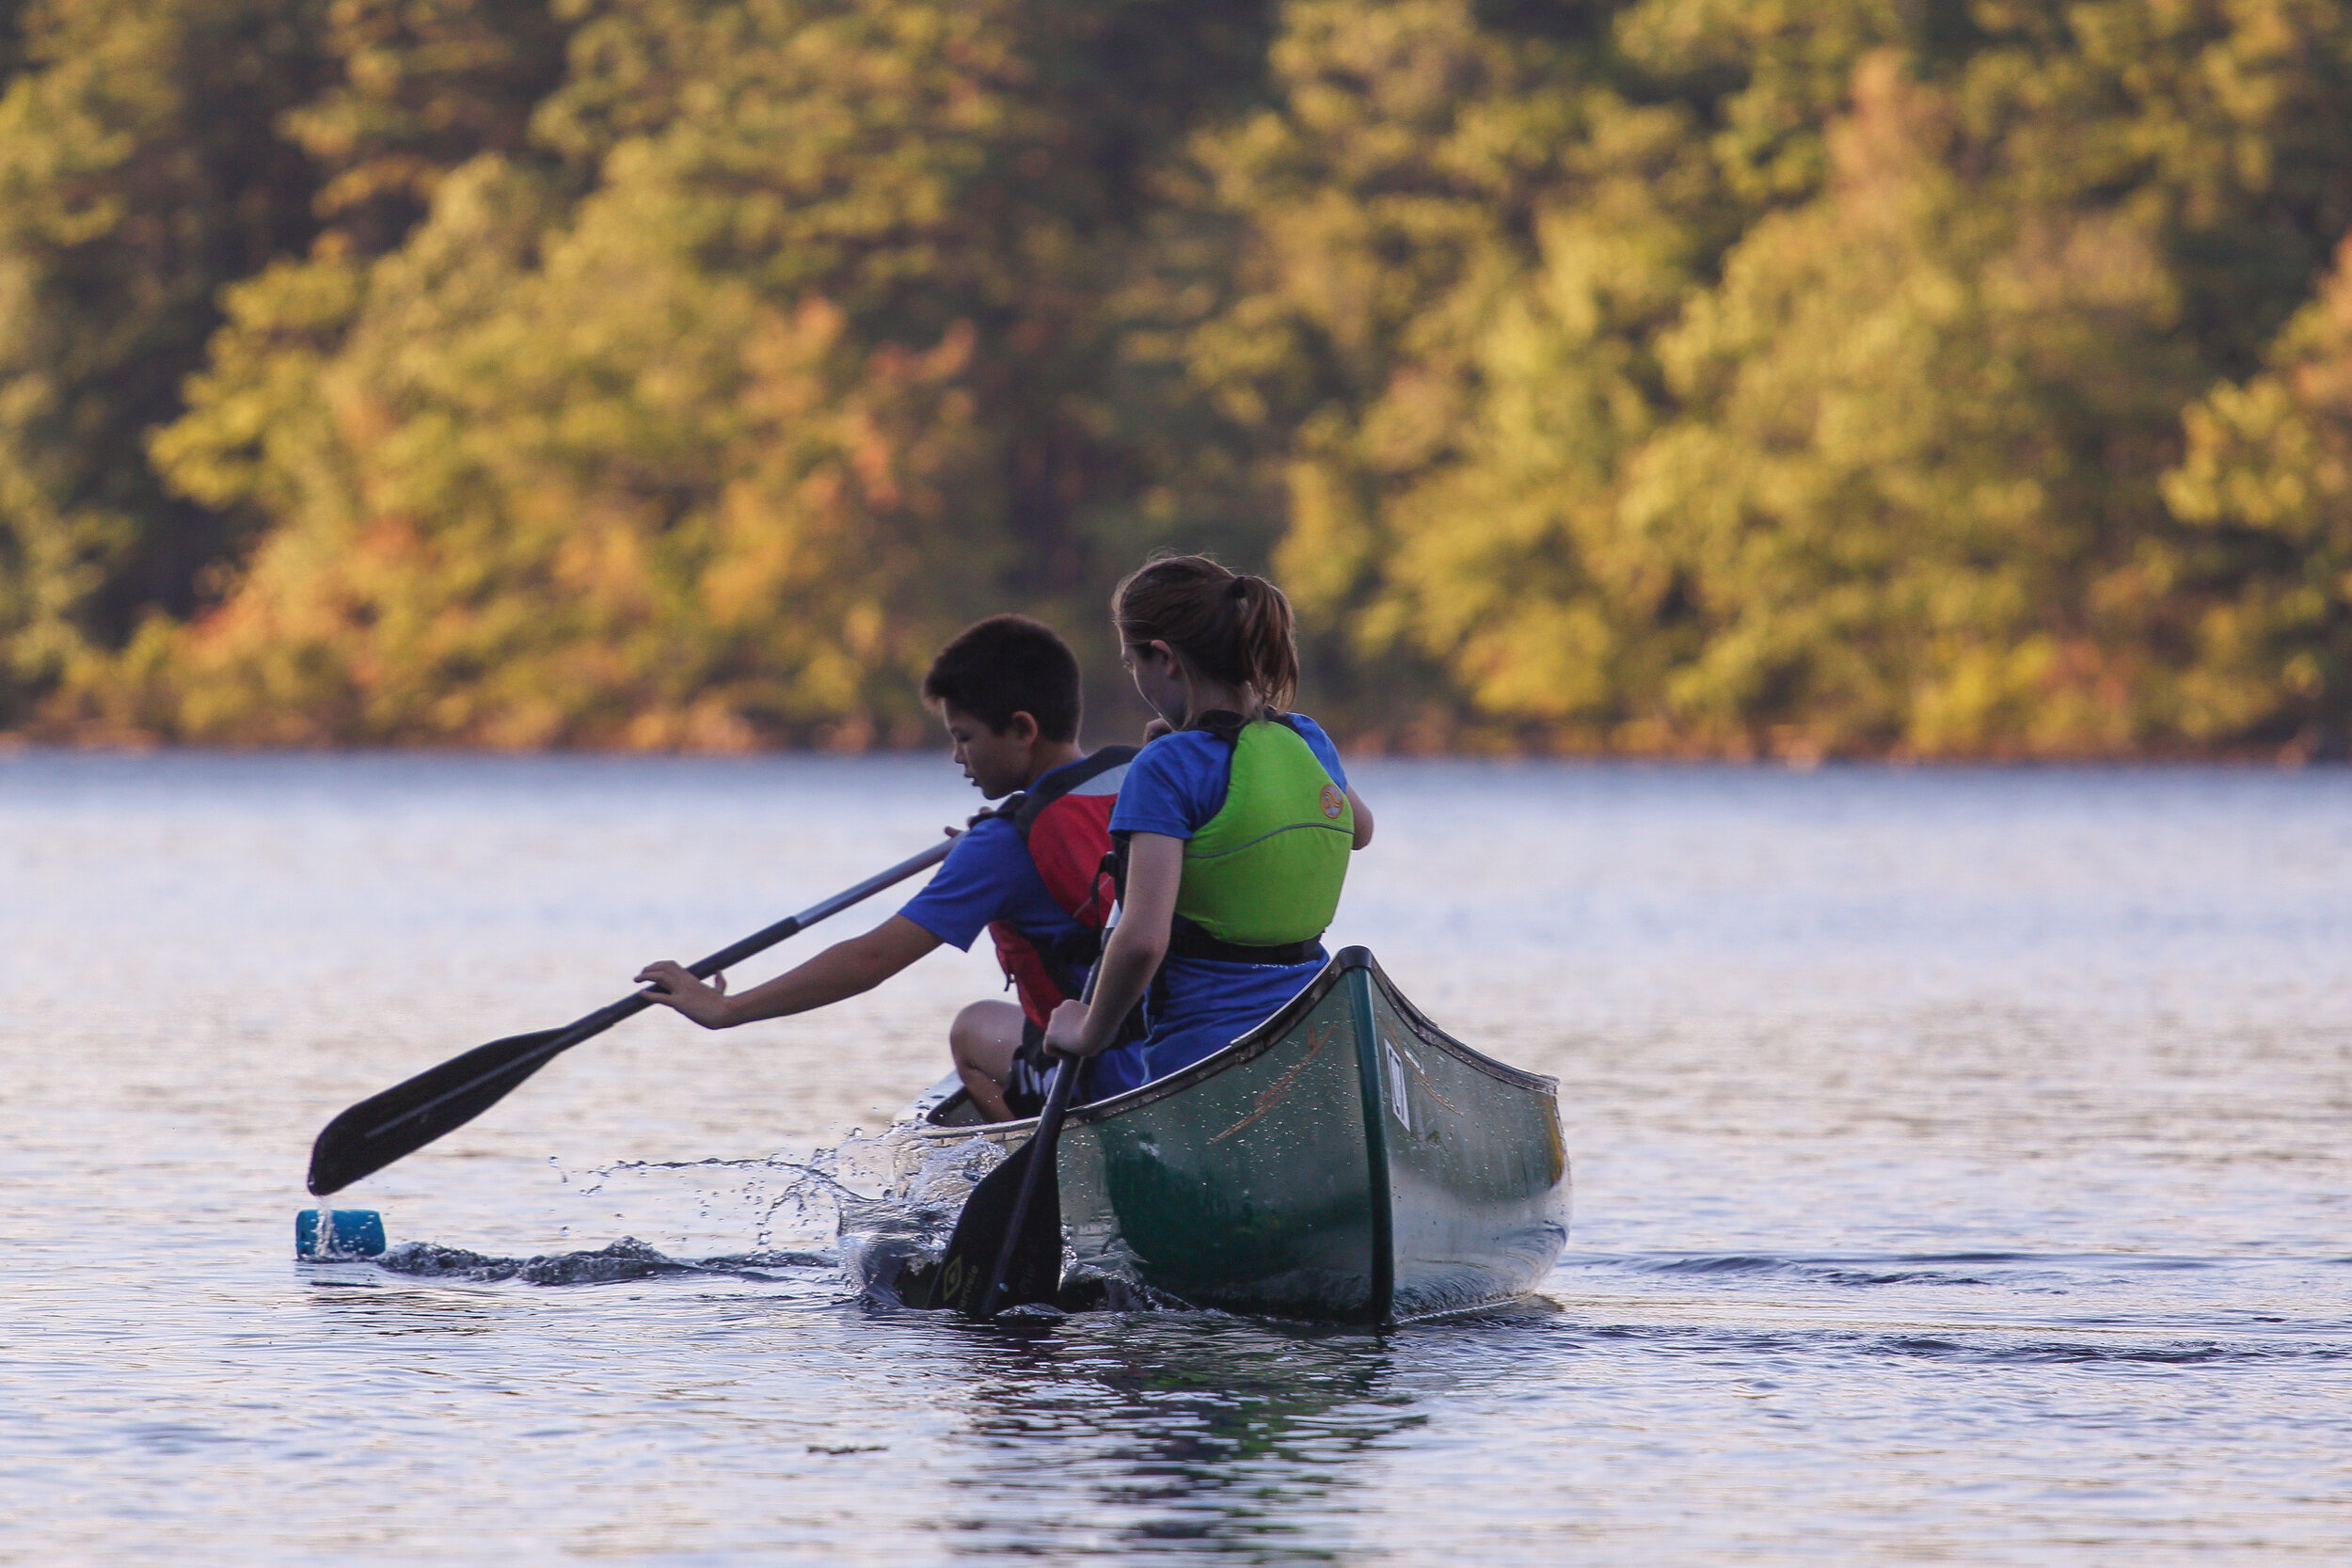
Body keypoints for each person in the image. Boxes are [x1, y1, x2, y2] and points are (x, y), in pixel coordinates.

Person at [633, 614, 1134, 1121]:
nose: (958, 757)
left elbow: (869, 960)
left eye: (965, 737)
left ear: (1023, 729)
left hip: (1098, 1066)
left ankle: (1037, 1158)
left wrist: (728, 1009)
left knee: (970, 1030)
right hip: (1171, 1037)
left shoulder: (999, 845)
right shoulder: (1145, 776)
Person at [1039, 553, 1374, 1097]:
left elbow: (1144, 938)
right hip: (1311, 1040)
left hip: (1199, 1062)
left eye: (1132, 664)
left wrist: (1089, 1032)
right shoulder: (1308, 740)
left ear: (1165, 659)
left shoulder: (1166, 768)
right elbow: (1360, 829)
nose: (1135, 679)